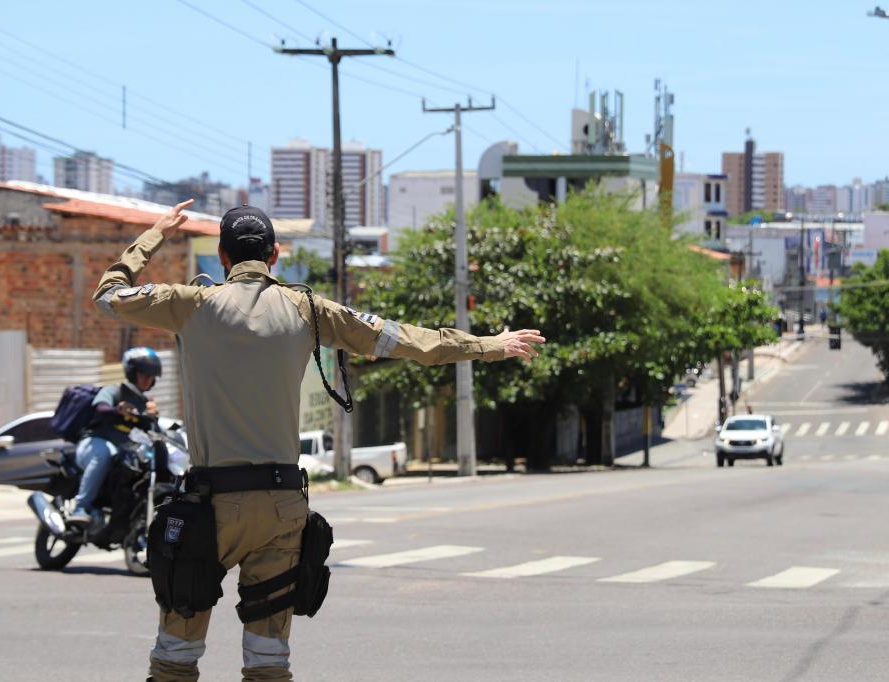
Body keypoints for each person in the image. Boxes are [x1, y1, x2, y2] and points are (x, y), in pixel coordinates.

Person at [92, 200, 544, 682]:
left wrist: (156, 232)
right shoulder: (308, 309)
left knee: (175, 660)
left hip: (209, 508)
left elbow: (107, 295)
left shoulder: (189, 303)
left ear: (222, 257)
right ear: (276, 254)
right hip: (281, 508)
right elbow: (406, 341)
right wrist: (490, 345)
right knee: (267, 663)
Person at [70, 346, 162, 524]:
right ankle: (80, 506)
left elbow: (154, 433)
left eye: (151, 377)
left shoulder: (147, 403)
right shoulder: (115, 391)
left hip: (124, 449)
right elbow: (101, 409)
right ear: (132, 373)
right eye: (144, 374)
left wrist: (153, 418)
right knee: (104, 455)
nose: (147, 380)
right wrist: (118, 409)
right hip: (94, 443)